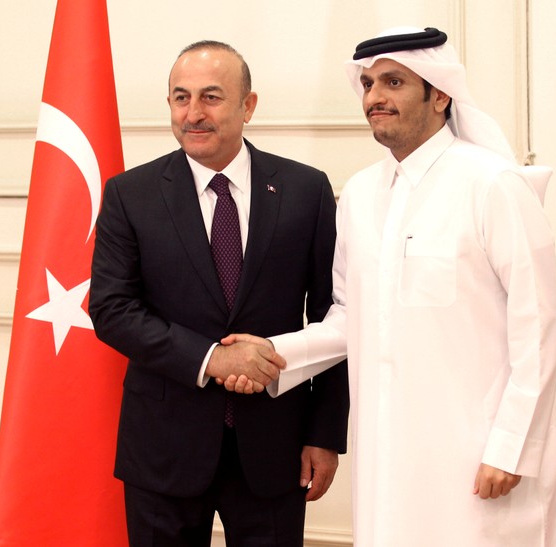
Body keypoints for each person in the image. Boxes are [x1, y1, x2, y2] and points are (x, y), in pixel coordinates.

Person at [224, 27, 556, 546]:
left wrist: (511, 446)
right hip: (390, 455)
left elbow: (538, 326)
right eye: (367, 84)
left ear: (440, 93)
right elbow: (349, 316)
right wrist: (274, 352)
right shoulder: (361, 193)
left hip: (478, 453)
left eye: (393, 82)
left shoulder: (493, 184)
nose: (374, 98)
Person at [89, 40, 349, 547]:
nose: (193, 113)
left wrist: (324, 435)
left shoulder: (306, 189)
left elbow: (333, 317)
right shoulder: (130, 194)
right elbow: (112, 309)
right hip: (164, 450)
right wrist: (210, 359)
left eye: (211, 97)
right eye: (180, 97)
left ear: (248, 105)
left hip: (274, 449)